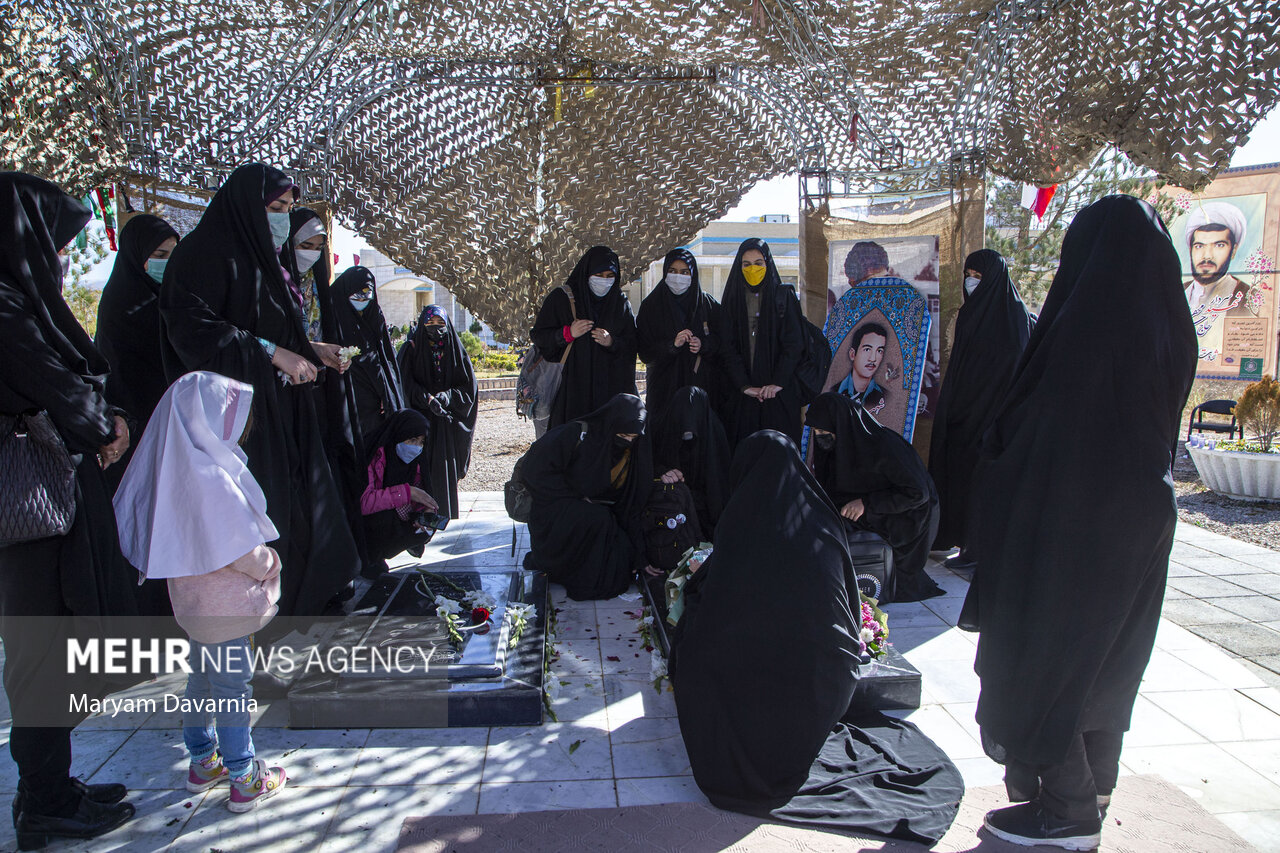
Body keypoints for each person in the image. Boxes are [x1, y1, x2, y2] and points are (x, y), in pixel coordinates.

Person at [966, 196, 1196, 850]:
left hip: (1072, 516)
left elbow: (1037, 426)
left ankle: (1065, 809)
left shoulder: (1086, 326)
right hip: (1142, 515)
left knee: (1046, 657)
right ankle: (1093, 789)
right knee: (1107, 659)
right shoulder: (1166, 323)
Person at [669, 430, 963, 841]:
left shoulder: (742, 521)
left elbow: (716, 607)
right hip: (821, 687)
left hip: (754, 687)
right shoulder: (822, 519)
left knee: (691, 637)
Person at [159, 163, 359, 628]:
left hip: (283, 411)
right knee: (262, 522)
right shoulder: (203, 256)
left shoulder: (268, 262)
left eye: (288, 209)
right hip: (240, 425)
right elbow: (193, 331)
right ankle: (259, 629)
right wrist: (272, 354)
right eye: (275, 208)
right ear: (246, 206)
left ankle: (295, 618)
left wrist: (312, 349)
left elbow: (271, 327)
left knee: (302, 513)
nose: (283, 219)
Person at [0, 172, 136, 847]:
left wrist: (101, 417)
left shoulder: (18, 300)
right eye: (52, 242)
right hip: (30, 513)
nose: (59, 257)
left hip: (47, 502)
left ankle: (48, 784)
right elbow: (60, 385)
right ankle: (45, 799)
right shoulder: (3, 306)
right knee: (39, 650)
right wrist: (105, 424)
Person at [112, 372, 288, 813]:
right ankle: (244, 776)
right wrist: (270, 563)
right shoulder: (211, 473)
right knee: (232, 688)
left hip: (192, 605)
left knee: (201, 680)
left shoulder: (177, 467)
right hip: (226, 607)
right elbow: (239, 548)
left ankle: (201, 760)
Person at [926, 249, 1032, 572]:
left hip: (993, 421)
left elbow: (1015, 372)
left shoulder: (1014, 317)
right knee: (959, 480)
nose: (971, 282)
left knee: (983, 485)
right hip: (963, 416)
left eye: (979, 276)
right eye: (968, 275)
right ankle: (959, 541)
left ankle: (980, 550)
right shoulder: (972, 313)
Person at [807, 392, 944, 602]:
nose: (820, 436)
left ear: (841, 425)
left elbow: (918, 493)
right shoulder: (839, 446)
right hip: (877, 509)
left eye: (824, 430)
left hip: (908, 518)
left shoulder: (883, 445)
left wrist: (866, 504)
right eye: (816, 431)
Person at [521, 394, 652, 600]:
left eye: (632, 438)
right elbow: (534, 470)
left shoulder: (629, 451)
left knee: (619, 546)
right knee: (598, 520)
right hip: (553, 509)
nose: (627, 442)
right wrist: (575, 496)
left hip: (591, 510)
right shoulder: (575, 434)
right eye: (623, 436)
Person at [95, 212, 180, 479]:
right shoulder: (120, 304)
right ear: (136, 255)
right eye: (159, 254)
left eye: (172, 255)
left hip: (171, 421)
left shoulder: (171, 300)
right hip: (130, 425)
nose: (167, 263)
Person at [529, 245, 638, 430]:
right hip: (570, 394)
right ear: (587, 272)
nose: (604, 281)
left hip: (609, 393)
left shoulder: (620, 303)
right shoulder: (562, 299)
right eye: (599, 275)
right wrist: (567, 334)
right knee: (570, 445)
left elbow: (632, 345)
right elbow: (540, 337)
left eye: (610, 276)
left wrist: (612, 342)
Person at [716, 238, 805, 447]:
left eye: (758, 263)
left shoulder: (783, 296)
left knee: (778, 455)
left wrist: (777, 383)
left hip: (778, 397)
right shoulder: (732, 299)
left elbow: (794, 344)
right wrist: (744, 385)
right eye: (746, 264)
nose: (752, 269)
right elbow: (727, 347)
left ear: (768, 264)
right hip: (743, 398)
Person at [398, 304, 478, 520]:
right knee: (419, 470)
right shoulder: (412, 349)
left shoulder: (455, 351)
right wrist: (427, 399)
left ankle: (442, 514)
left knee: (442, 470)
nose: (435, 328)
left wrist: (447, 397)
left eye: (440, 323)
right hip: (420, 422)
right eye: (430, 323)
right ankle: (419, 516)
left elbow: (468, 388)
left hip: (444, 424)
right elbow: (404, 384)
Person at [636, 249, 720, 416]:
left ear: (693, 274)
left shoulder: (707, 305)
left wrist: (703, 345)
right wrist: (672, 345)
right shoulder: (651, 306)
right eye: (672, 271)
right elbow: (645, 353)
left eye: (684, 272)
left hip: (700, 389)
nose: (678, 277)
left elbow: (724, 343)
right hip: (663, 389)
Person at [359, 409, 440, 566]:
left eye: (421, 442)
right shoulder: (373, 455)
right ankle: (371, 559)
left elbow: (422, 493)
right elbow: (364, 502)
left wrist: (426, 512)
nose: (416, 447)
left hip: (396, 513)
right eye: (412, 440)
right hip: (365, 523)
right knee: (382, 519)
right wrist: (407, 492)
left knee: (430, 523)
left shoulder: (415, 461)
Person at [331, 266, 404, 438]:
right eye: (357, 295)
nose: (362, 300)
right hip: (344, 400)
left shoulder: (374, 315)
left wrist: (387, 393)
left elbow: (385, 358)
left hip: (375, 405)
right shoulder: (334, 317)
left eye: (367, 295)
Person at [650, 386, 731, 538]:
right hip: (672, 510)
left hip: (708, 510)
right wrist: (662, 473)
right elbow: (650, 465)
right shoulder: (662, 430)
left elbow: (719, 481)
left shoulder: (715, 432)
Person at [1182, 201, 1254, 360]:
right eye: (1199, 246)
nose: (1207, 256)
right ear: (1191, 249)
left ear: (1233, 250)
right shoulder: (1176, 292)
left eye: (1219, 245)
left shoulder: (1247, 297)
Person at [836, 321, 888, 414]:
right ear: (852, 354)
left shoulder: (884, 397)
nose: (873, 359)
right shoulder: (834, 391)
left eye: (879, 351)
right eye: (867, 349)